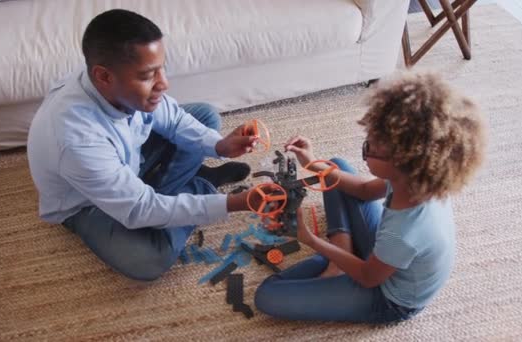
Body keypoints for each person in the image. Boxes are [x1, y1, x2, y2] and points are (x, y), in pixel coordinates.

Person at [27, 9, 259, 282]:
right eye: (149, 75)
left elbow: (172, 119)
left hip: (125, 161)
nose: (164, 83)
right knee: (149, 261)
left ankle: (183, 186)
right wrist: (231, 204)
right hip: (86, 203)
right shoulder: (78, 141)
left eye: (162, 67)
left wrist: (220, 146)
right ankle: (198, 185)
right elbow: (140, 210)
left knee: (205, 116)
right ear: (103, 77)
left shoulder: (110, 80)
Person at [254, 71, 486, 323]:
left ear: (401, 162)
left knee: (267, 296)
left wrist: (309, 238)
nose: (365, 150)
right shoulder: (417, 178)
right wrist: (311, 163)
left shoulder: (404, 230)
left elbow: (367, 277)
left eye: (369, 148)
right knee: (335, 166)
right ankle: (341, 254)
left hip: (388, 298)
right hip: (384, 256)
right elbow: (364, 191)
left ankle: (338, 257)